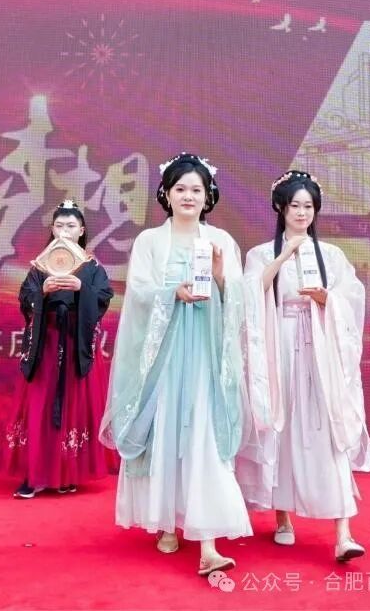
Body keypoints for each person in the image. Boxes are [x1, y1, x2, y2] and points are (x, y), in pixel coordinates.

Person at [100, 153, 252, 576]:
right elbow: (139, 292)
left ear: (208, 196)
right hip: (164, 356)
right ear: (166, 194)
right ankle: (167, 521)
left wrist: (220, 277)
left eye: (196, 190)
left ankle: (208, 544)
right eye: (180, 188)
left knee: (203, 434)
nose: (188, 196)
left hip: (205, 355)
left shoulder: (221, 240)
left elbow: (239, 299)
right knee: (166, 432)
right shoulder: (150, 240)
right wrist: (173, 293)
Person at [237, 170, 370, 562]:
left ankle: (344, 533)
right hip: (279, 345)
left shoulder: (331, 255)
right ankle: (282, 517)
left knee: (328, 429)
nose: (301, 213)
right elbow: (251, 293)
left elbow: (352, 296)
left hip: (319, 346)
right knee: (280, 425)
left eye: (308, 206)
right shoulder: (261, 253)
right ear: (280, 208)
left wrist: (328, 299)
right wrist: (283, 257)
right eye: (294, 205)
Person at [5, 200, 114, 498]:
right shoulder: (40, 265)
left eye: (71, 226)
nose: (65, 231)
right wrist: (42, 291)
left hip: (75, 343)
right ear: (52, 230)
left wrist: (81, 289)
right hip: (47, 343)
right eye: (59, 225)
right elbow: (25, 298)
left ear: (82, 230)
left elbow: (104, 297)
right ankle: (34, 474)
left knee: (72, 408)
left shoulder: (91, 266)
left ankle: (65, 473)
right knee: (40, 406)